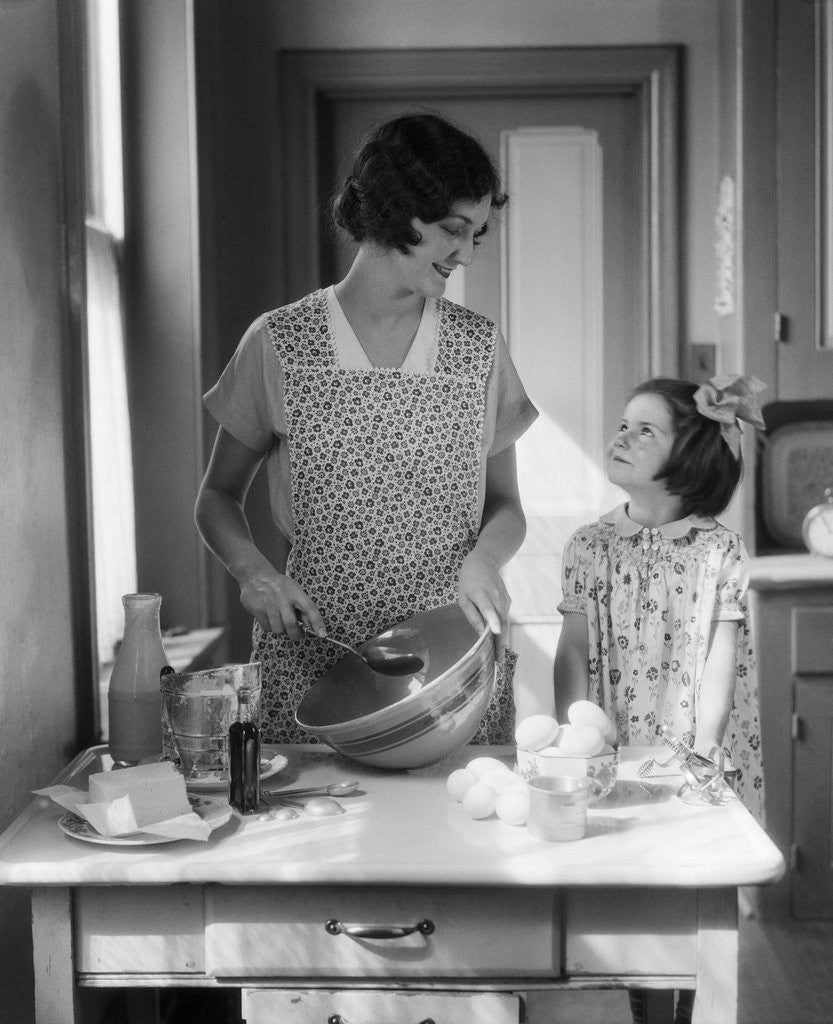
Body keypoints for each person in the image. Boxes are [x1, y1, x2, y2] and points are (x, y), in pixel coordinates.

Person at [195, 112, 538, 745]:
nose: (464, 253)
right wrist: (256, 575)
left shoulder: (480, 349)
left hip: (451, 667)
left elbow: (507, 505)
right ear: (391, 210)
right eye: (451, 230)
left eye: (477, 235)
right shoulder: (279, 343)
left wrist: (484, 564)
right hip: (314, 663)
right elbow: (216, 498)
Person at [553, 373, 766, 1024]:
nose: (622, 436)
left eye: (645, 429)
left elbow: (717, 664)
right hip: (612, 749)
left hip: (689, 758)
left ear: (690, 452)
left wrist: (701, 755)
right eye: (622, 424)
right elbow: (570, 654)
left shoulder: (717, 551)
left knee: (687, 910)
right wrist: (576, 736)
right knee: (628, 908)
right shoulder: (588, 546)